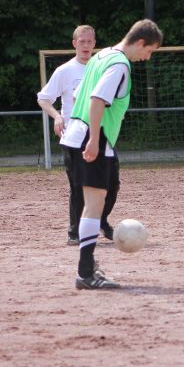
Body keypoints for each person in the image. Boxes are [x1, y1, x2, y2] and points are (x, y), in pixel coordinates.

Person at [60, 19, 163, 290]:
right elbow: (97, 100)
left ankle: (87, 266)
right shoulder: (119, 64)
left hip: (75, 132)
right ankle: (85, 273)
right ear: (140, 42)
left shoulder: (101, 56)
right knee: (94, 204)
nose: (147, 58)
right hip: (92, 136)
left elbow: (78, 95)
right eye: (149, 51)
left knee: (92, 203)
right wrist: (94, 139)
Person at [37, 25, 119, 246]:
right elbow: (43, 98)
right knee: (78, 185)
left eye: (90, 42)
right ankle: (75, 231)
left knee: (112, 184)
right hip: (74, 137)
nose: (86, 45)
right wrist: (57, 116)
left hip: (101, 133)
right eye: (82, 41)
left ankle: (100, 220)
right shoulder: (65, 71)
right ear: (74, 43)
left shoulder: (102, 69)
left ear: (94, 44)